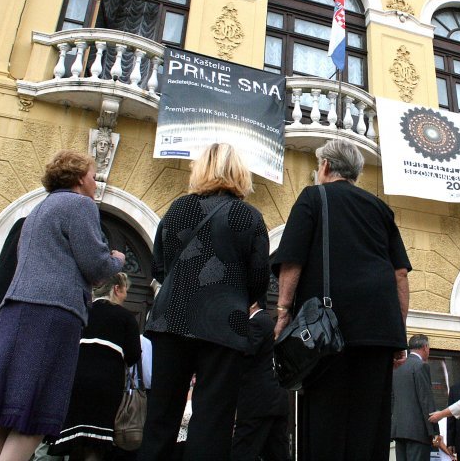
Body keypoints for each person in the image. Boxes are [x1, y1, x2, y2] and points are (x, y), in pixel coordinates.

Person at [0, 150, 125, 461]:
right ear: (77, 178)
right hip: (53, 313)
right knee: (37, 406)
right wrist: (117, 259)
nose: (95, 180)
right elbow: (97, 266)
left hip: (15, 311)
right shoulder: (80, 205)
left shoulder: (38, 210)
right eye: (91, 174)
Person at [272, 138, 411, 461]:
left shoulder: (312, 197)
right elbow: (400, 274)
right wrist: (397, 333)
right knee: (370, 425)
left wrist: (282, 312)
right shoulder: (380, 209)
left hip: (327, 332)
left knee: (325, 422)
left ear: (325, 167)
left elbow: (292, 261)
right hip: (378, 332)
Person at [139, 143, 270, 460]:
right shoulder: (249, 217)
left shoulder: (178, 208)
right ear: (241, 173)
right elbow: (259, 279)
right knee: (213, 422)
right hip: (224, 325)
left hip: (172, 319)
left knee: (161, 417)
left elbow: (159, 265)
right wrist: (237, 296)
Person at [49, 272, 141, 459]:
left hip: (75, 379)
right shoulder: (125, 317)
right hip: (106, 384)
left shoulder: (82, 310)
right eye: (125, 291)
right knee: (97, 442)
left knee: (74, 439)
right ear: (116, 289)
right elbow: (133, 355)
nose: (125, 296)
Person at [231, 298, 290, 461]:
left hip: (258, 402)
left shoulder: (256, 322)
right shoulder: (268, 322)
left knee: (242, 451)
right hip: (275, 399)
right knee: (278, 452)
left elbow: (245, 355)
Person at [392, 334, 440, 461]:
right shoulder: (421, 366)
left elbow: (393, 399)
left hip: (399, 430)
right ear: (425, 347)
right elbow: (426, 399)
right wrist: (434, 431)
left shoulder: (398, 367)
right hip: (418, 432)